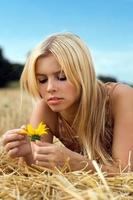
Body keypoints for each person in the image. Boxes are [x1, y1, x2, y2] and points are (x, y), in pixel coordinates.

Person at [2, 32, 133, 173]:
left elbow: (125, 173)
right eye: (42, 80)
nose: (50, 88)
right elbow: (38, 175)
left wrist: (75, 163)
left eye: (62, 77)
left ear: (83, 74)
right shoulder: (45, 110)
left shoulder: (121, 97)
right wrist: (28, 154)